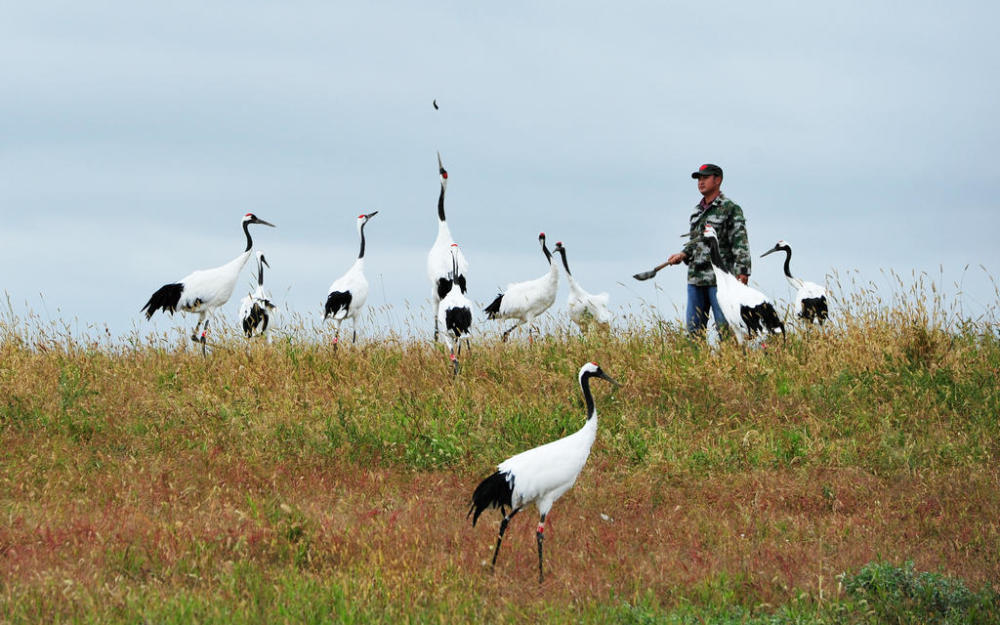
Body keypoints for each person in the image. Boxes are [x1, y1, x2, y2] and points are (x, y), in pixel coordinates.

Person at [636, 163, 751, 336]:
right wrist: (683, 254)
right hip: (695, 279)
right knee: (693, 330)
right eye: (699, 178)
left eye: (705, 177)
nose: (700, 182)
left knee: (726, 328)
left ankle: (730, 362)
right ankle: (697, 362)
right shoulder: (696, 211)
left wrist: (743, 272)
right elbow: (694, 242)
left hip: (721, 280)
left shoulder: (730, 209)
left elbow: (740, 242)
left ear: (717, 179)